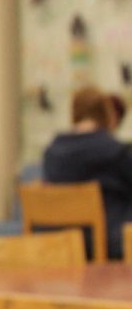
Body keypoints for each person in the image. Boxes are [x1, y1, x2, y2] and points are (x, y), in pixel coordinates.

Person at [42, 86, 132, 260]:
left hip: (58, 244)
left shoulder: (51, 152)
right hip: (109, 244)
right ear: (105, 113)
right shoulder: (115, 151)